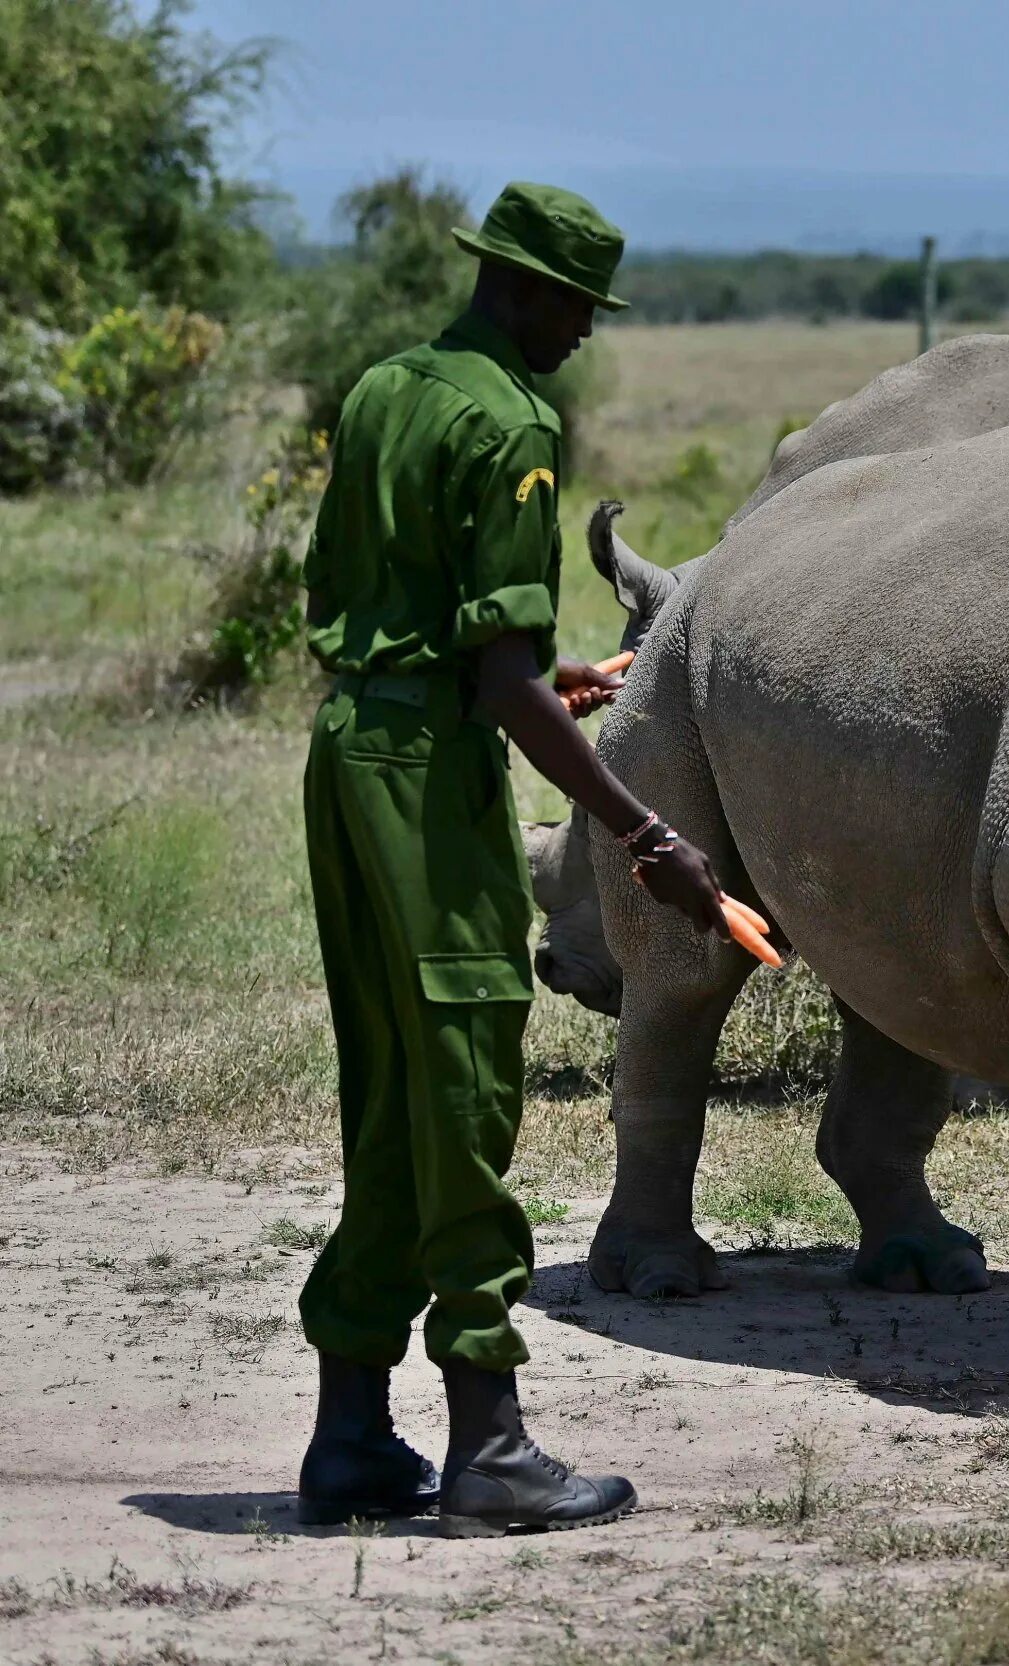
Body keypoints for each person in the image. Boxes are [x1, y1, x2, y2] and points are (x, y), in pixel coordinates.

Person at [292, 182, 726, 1537]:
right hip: (429, 785)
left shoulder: (382, 390)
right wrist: (641, 831)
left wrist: (555, 677)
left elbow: (381, 611)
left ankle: (351, 1436)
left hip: (351, 750)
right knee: (470, 1083)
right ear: (531, 292)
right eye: (580, 308)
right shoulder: (511, 420)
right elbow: (496, 680)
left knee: (390, 1092)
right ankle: (488, 1442)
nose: (584, 336)